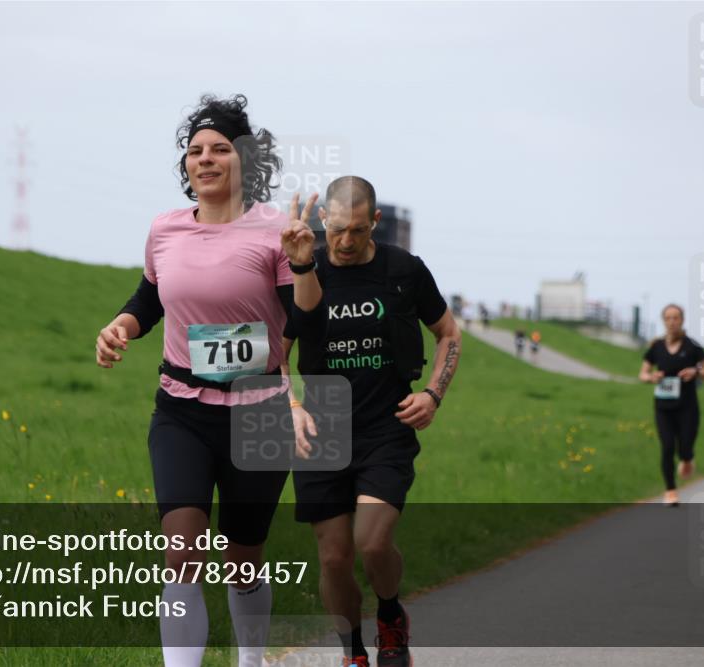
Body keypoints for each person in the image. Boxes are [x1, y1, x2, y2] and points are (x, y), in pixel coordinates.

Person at [96, 94, 321, 667]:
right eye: (196, 151)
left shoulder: (275, 230)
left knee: (244, 558)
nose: (206, 158)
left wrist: (301, 264)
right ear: (186, 166)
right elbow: (149, 297)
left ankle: (250, 661)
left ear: (245, 159)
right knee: (182, 554)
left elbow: (303, 319)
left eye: (220, 148)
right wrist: (121, 325)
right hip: (181, 410)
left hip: (259, 409)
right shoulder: (165, 229)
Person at [283, 176, 462, 667]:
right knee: (335, 557)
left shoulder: (403, 270)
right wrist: (292, 408)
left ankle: (389, 614)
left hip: (387, 424)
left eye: (358, 231)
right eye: (338, 229)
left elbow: (448, 333)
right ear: (324, 221)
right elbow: (277, 351)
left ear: (375, 224)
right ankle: (353, 652)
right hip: (322, 426)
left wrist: (433, 395)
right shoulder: (303, 266)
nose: (345, 241)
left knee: (373, 540)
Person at [638, 304, 704, 506]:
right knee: (667, 447)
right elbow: (642, 373)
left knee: (685, 446)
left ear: (682, 320)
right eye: (668, 318)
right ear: (664, 321)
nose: (672, 322)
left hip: (687, 406)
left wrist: (695, 372)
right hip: (663, 407)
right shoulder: (656, 347)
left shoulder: (693, 347)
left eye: (676, 318)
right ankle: (671, 490)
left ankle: (687, 458)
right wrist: (651, 376)